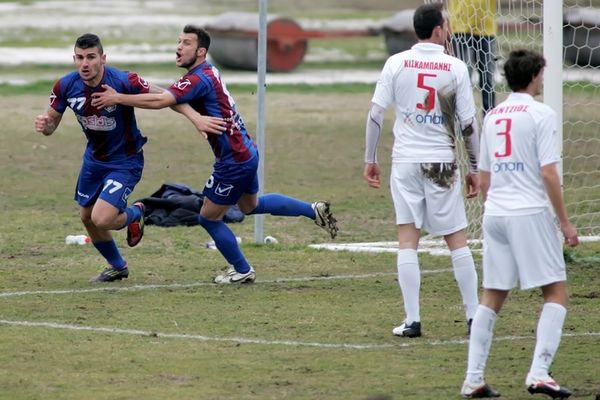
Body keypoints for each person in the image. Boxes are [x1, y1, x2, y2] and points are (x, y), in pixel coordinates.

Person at [91, 25, 338, 284]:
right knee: (249, 206)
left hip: (232, 160)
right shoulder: (205, 73)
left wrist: (118, 97)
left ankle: (241, 269)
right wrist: (190, 114)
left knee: (208, 218)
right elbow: (171, 96)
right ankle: (312, 210)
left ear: (201, 51)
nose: (178, 47)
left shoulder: (197, 78)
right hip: (245, 151)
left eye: (186, 43)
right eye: (178, 41)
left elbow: (162, 101)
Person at [34, 33, 224, 283]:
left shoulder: (124, 80)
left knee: (101, 218)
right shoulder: (65, 86)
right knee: (86, 217)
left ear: (103, 58)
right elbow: (51, 126)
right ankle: (117, 266)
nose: (85, 64)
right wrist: (45, 124)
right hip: (94, 160)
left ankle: (136, 213)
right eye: (80, 58)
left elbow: (164, 96)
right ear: (74, 59)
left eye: (91, 57)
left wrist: (196, 117)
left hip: (126, 160)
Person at [460, 49, 579, 399]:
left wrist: (498, 206)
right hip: (529, 213)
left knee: (492, 296)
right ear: (533, 76)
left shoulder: (494, 115)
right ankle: (540, 373)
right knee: (555, 292)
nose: (544, 80)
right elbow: (548, 172)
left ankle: (473, 379)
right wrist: (566, 223)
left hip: (495, 214)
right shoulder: (542, 114)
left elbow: (484, 179)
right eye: (542, 74)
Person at [363, 3, 480, 338]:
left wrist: (369, 160)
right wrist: (475, 167)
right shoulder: (456, 67)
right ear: (439, 30)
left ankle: (413, 320)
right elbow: (469, 125)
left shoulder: (396, 63)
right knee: (457, 239)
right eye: (447, 24)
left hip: (405, 161)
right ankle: (474, 317)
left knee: (407, 239)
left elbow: (374, 115)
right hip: (441, 161)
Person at [448, 0, 497, 115]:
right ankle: (463, 118)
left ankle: (490, 118)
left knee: (487, 78)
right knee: (463, 77)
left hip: (486, 30)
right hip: (461, 29)